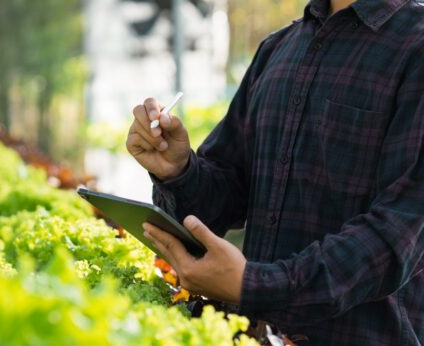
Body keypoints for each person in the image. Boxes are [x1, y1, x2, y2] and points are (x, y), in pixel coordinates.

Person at [127, 0, 424, 344]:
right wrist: (178, 170)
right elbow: (225, 192)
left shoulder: (415, 46)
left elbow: (398, 234)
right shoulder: (278, 49)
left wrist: (256, 285)